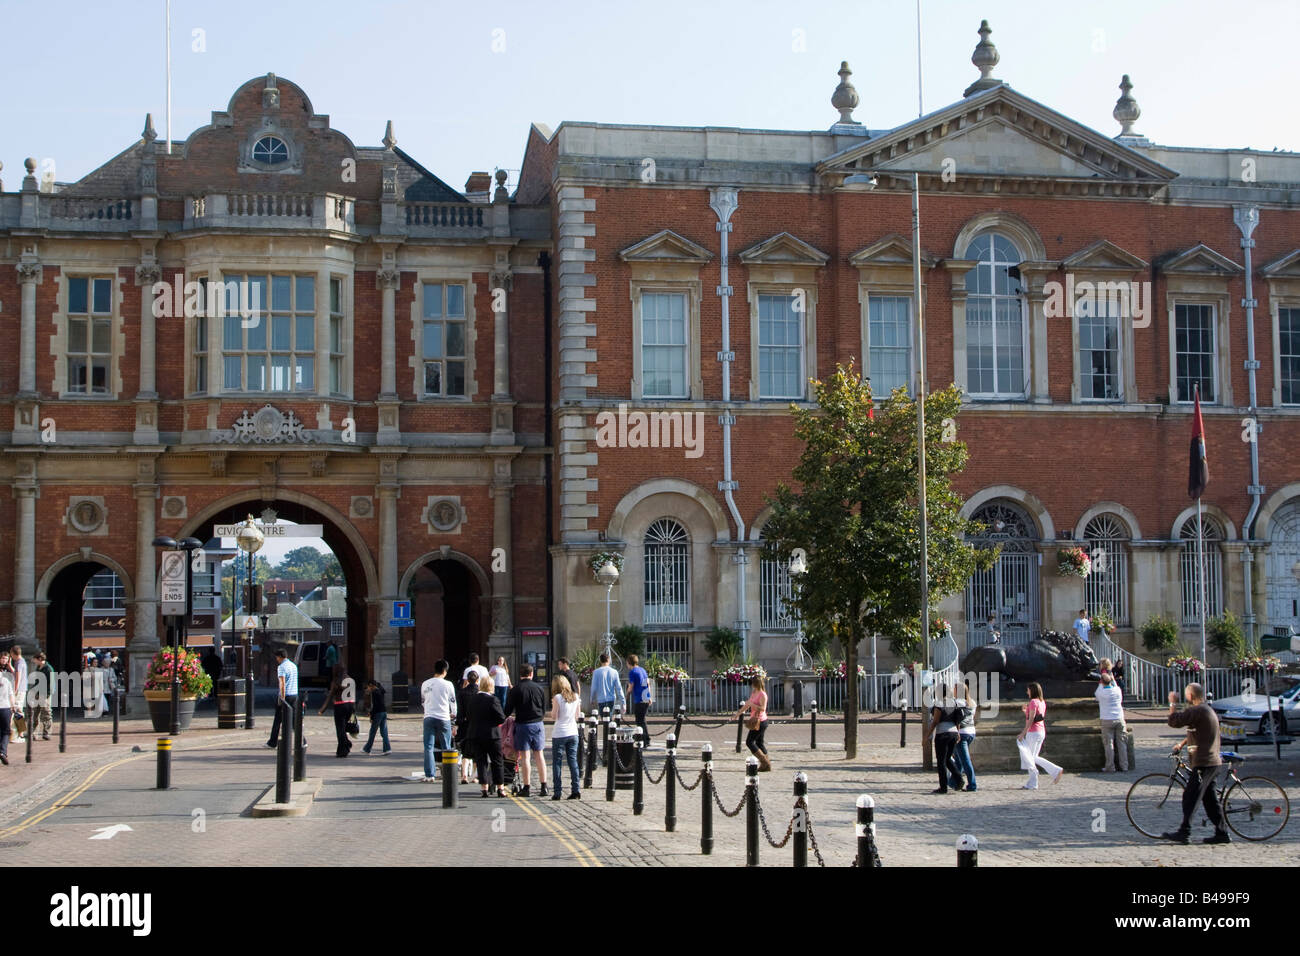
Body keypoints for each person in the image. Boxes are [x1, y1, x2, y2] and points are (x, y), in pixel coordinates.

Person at [1161, 683, 1228, 844]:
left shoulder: (1197, 711)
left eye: (1186, 695)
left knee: (1190, 797)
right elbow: (1197, 731)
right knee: (1210, 800)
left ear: (1191, 696)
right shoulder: (1206, 710)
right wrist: (1182, 744)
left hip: (1204, 762)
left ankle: (1184, 832)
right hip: (1212, 761)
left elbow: (1174, 721)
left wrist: (1172, 703)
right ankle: (1222, 833)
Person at [504, 662, 548, 797]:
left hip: (523, 725)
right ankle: (544, 786)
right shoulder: (539, 689)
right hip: (538, 724)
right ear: (532, 674)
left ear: (520, 674)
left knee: (525, 757)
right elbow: (544, 708)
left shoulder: (515, 690)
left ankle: (527, 787)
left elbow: (507, 710)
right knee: (539, 755)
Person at [1016, 682, 1064, 789]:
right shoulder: (1042, 702)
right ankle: (1054, 771)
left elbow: (1032, 719)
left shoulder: (1033, 702)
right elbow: (1036, 717)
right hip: (1040, 731)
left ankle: (1034, 783)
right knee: (1033, 757)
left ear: (1032, 691)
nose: (1027, 692)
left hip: (1033, 732)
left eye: (1028, 690)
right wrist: (1025, 712)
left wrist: (1023, 733)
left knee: (1030, 758)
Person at [469, 673, 507, 797]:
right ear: (491, 686)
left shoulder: (473, 699)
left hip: (476, 734)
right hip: (492, 735)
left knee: (481, 761)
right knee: (497, 761)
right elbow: (501, 718)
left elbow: (469, 715)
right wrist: (492, 723)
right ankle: (500, 788)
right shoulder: (493, 700)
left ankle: (484, 788)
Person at [420, 660, 457, 781]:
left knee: (428, 747)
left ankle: (429, 775)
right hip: (443, 717)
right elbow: (452, 702)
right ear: (445, 671)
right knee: (446, 746)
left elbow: (423, 701)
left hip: (429, 717)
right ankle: (447, 773)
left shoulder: (425, 684)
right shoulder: (448, 684)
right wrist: (454, 716)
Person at [548, 674, 582, 800]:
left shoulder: (557, 697)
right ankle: (576, 790)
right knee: (573, 762)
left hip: (560, 733)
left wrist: (553, 706)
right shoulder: (576, 696)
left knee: (557, 762)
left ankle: (557, 792)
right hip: (573, 732)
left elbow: (554, 716)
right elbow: (577, 716)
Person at [1095, 662, 1129, 772]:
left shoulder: (1100, 692)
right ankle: (1124, 766)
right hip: (1119, 718)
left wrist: (1102, 680)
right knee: (1122, 743)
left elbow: (1098, 692)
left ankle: (1110, 766)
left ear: (1102, 682)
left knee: (1109, 744)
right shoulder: (1117, 691)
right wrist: (1111, 678)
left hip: (1107, 719)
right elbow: (1113, 683)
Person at [930, 684, 964, 794]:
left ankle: (943, 787)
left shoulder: (939, 704)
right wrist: (958, 732)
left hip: (942, 733)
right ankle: (959, 778)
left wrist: (927, 736)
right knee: (947, 758)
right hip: (953, 732)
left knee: (941, 761)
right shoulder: (954, 702)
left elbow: (935, 721)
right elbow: (957, 720)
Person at [318, 666, 357, 757]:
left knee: (340, 729)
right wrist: (353, 710)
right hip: (350, 705)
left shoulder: (336, 681)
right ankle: (346, 744)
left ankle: (343, 750)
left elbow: (330, 696)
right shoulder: (350, 680)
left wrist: (322, 710)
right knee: (344, 728)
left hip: (340, 705)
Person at [737, 674, 771, 772]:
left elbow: (763, 708)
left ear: (756, 683)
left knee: (749, 742)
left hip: (761, 721)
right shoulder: (754, 692)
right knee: (760, 743)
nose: (751, 684)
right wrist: (738, 713)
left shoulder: (762, 694)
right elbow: (748, 703)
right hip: (756, 720)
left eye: (753, 683)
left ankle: (764, 762)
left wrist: (753, 705)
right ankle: (766, 765)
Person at [266, 649, 299, 749]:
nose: (276, 659)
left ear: (280, 656)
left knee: (278, 719)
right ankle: (300, 740)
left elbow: (282, 683)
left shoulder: (281, 667)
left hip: (286, 695)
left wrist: (282, 698)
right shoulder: (294, 666)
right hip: (294, 695)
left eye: (277, 657)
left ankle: (272, 742)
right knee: (294, 720)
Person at [953, 680, 978, 792]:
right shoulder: (972, 702)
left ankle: (972, 784)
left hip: (961, 733)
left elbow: (957, 720)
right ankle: (954, 782)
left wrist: (956, 733)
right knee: (959, 759)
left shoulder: (957, 702)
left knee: (965, 761)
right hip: (971, 731)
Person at [454, 673, 478, 784]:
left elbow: (460, 712)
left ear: (467, 680)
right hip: (477, 724)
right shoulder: (480, 693)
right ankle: (474, 776)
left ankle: (464, 776)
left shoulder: (462, 693)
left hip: (465, 724)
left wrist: (457, 724)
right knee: (477, 751)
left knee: (465, 751)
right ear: (477, 680)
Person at [625, 654, 652, 748]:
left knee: (639, 721)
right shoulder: (642, 670)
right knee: (642, 720)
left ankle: (644, 740)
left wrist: (626, 695)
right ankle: (646, 738)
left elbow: (631, 686)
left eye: (627, 663)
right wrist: (650, 696)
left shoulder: (632, 672)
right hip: (645, 697)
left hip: (639, 698)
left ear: (629, 663)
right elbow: (648, 683)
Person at [590, 652, 625, 718]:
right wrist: (623, 702)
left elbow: (593, 687)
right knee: (609, 718)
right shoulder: (614, 672)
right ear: (608, 660)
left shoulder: (596, 672)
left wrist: (592, 698)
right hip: (611, 698)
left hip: (601, 699)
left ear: (600, 661)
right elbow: (619, 688)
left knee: (604, 719)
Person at [29, 651, 54, 740]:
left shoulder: (48, 669)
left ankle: (47, 733)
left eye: (35, 659)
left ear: (40, 659)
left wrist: (46, 695)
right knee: (35, 714)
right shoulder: (38, 668)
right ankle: (34, 733)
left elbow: (51, 684)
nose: (34, 661)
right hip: (37, 694)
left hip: (44, 694)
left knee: (46, 714)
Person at [362, 678, 391, 755]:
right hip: (384, 712)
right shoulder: (380, 690)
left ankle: (367, 749)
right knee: (384, 731)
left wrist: (371, 716)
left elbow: (375, 706)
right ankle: (387, 749)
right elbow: (383, 691)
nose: (367, 689)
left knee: (372, 732)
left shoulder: (374, 692)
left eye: (368, 687)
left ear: (371, 685)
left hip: (378, 713)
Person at [8, 646, 26, 742]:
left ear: (13, 654)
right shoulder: (22, 661)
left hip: (19, 690)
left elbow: (17, 678)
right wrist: (10, 666)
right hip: (22, 689)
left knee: (18, 711)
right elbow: (16, 673)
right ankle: (20, 733)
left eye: (11, 654)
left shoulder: (19, 663)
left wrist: (14, 690)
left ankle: (20, 734)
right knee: (19, 711)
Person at [0, 650, 14, 765]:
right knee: (6, 731)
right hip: (5, 707)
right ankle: (3, 752)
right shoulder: (7, 680)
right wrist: (14, 707)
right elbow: (11, 694)